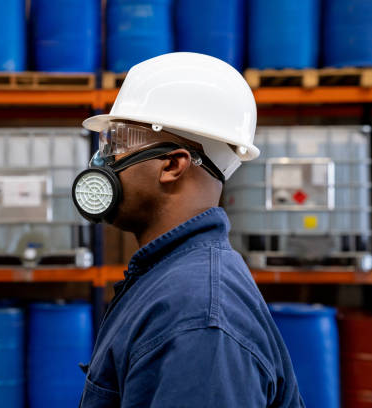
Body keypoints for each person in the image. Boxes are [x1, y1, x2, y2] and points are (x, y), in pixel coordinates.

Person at [72, 53, 305, 407]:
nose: (102, 163)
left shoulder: (197, 318)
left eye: (117, 145)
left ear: (172, 165)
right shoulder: (169, 281)